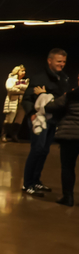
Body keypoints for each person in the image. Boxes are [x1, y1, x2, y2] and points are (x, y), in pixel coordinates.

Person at [20, 48, 69, 196]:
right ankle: (27, 184)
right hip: (39, 121)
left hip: (52, 120)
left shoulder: (64, 78)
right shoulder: (39, 78)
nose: (62, 64)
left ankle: (36, 181)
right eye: (59, 61)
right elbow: (27, 99)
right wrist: (32, 114)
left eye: (64, 61)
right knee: (37, 149)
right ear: (50, 61)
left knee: (44, 151)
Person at [48, 74, 79, 207]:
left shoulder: (71, 95)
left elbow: (50, 106)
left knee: (68, 167)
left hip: (69, 136)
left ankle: (68, 198)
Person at [2, 65, 29, 143]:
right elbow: (10, 89)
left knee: (19, 120)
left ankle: (14, 135)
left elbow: (28, 90)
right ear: (17, 71)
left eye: (24, 71)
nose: (24, 72)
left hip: (22, 103)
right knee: (9, 119)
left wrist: (19, 86)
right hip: (13, 101)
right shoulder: (11, 80)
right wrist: (22, 91)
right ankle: (4, 135)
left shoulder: (25, 81)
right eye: (22, 71)